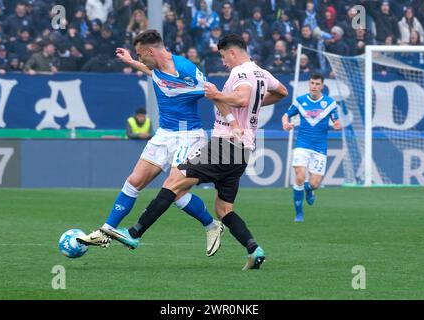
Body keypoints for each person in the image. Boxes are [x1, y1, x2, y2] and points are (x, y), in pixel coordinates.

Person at [102, 34, 288, 270]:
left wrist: (218, 95)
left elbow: (241, 99)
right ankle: (254, 249)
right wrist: (255, 103)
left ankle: (134, 233)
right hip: (244, 150)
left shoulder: (240, 72)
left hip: (225, 145)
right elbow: (281, 91)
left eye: (223, 57)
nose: (223, 62)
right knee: (223, 209)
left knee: (173, 182)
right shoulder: (262, 73)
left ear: (232, 52)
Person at [78, 30, 224, 257]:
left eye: (139, 54)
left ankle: (212, 226)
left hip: (188, 135)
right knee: (134, 181)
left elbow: (213, 93)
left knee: (173, 191)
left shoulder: (185, 69)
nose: (139, 58)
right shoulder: (157, 68)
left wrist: (232, 123)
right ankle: (106, 230)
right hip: (164, 134)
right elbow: (151, 71)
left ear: (150, 51)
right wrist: (129, 61)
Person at [282, 73, 341, 222]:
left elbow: (336, 121)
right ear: (309, 84)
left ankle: (309, 190)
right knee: (300, 177)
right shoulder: (300, 101)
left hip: (320, 147)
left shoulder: (329, 103)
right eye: (312, 83)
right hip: (302, 144)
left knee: (314, 184)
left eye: (317, 84)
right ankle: (299, 214)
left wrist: (337, 125)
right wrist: (286, 123)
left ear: (322, 86)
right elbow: (286, 115)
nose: (314, 86)